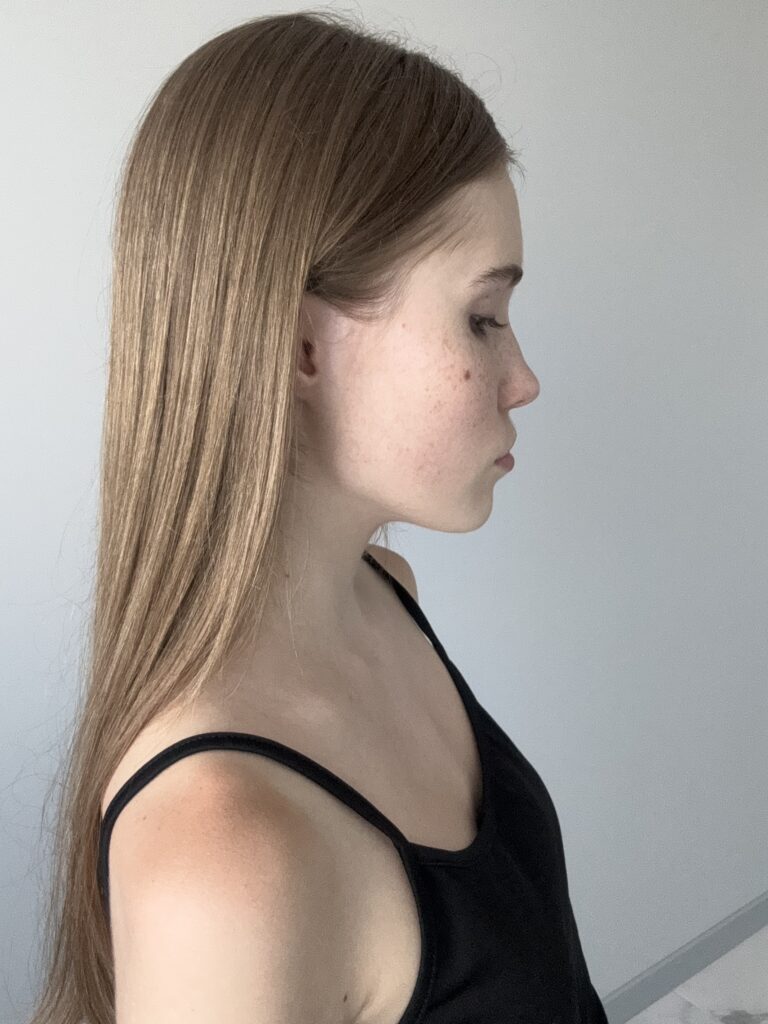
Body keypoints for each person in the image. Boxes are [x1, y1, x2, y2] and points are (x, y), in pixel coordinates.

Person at [30, 10, 608, 1024]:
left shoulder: (384, 595)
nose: (523, 379)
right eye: (482, 317)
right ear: (300, 346)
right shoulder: (220, 860)